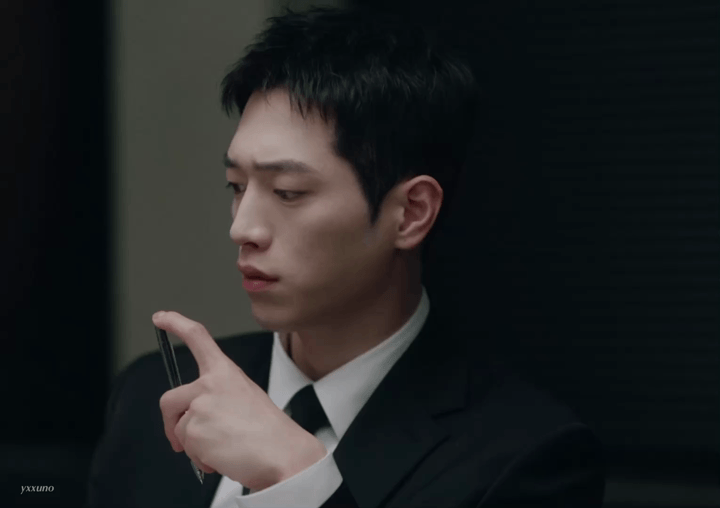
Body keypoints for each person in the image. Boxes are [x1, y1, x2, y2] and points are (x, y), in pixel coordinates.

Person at [85, 5, 605, 508]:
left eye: (288, 192)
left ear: (411, 213)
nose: (242, 228)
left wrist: (297, 480)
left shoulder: (523, 457)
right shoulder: (157, 394)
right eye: (236, 185)